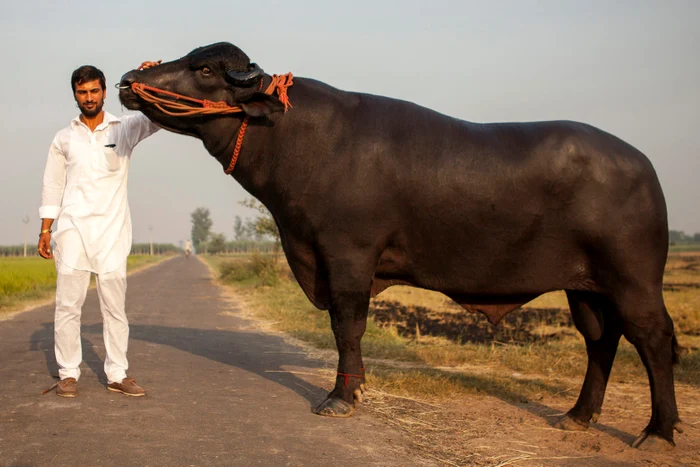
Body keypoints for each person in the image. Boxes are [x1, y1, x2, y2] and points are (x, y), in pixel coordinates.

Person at [38, 63, 161, 398]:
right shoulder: (64, 138)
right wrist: (45, 229)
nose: (89, 98)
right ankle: (68, 374)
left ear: (105, 92)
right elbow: (53, 184)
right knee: (67, 306)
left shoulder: (125, 128)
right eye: (82, 92)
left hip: (111, 233)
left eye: (94, 91)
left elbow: (158, 115)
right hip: (72, 231)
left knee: (114, 308)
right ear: (75, 95)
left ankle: (117, 374)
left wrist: (145, 77)